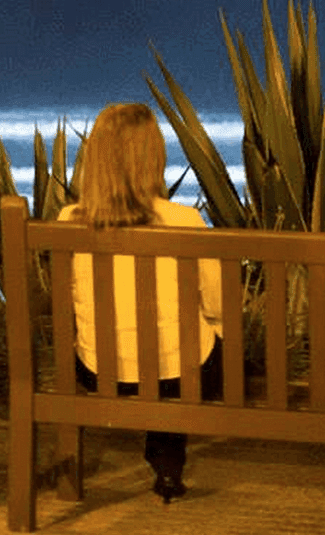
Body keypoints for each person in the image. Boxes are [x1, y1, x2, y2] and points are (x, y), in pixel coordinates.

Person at [56, 102, 224, 504]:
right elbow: (219, 302)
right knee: (187, 355)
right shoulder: (185, 220)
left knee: (162, 356)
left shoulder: (67, 220)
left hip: (102, 368)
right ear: (155, 155)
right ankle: (167, 459)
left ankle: (165, 457)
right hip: (183, 371)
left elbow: (68, 301)